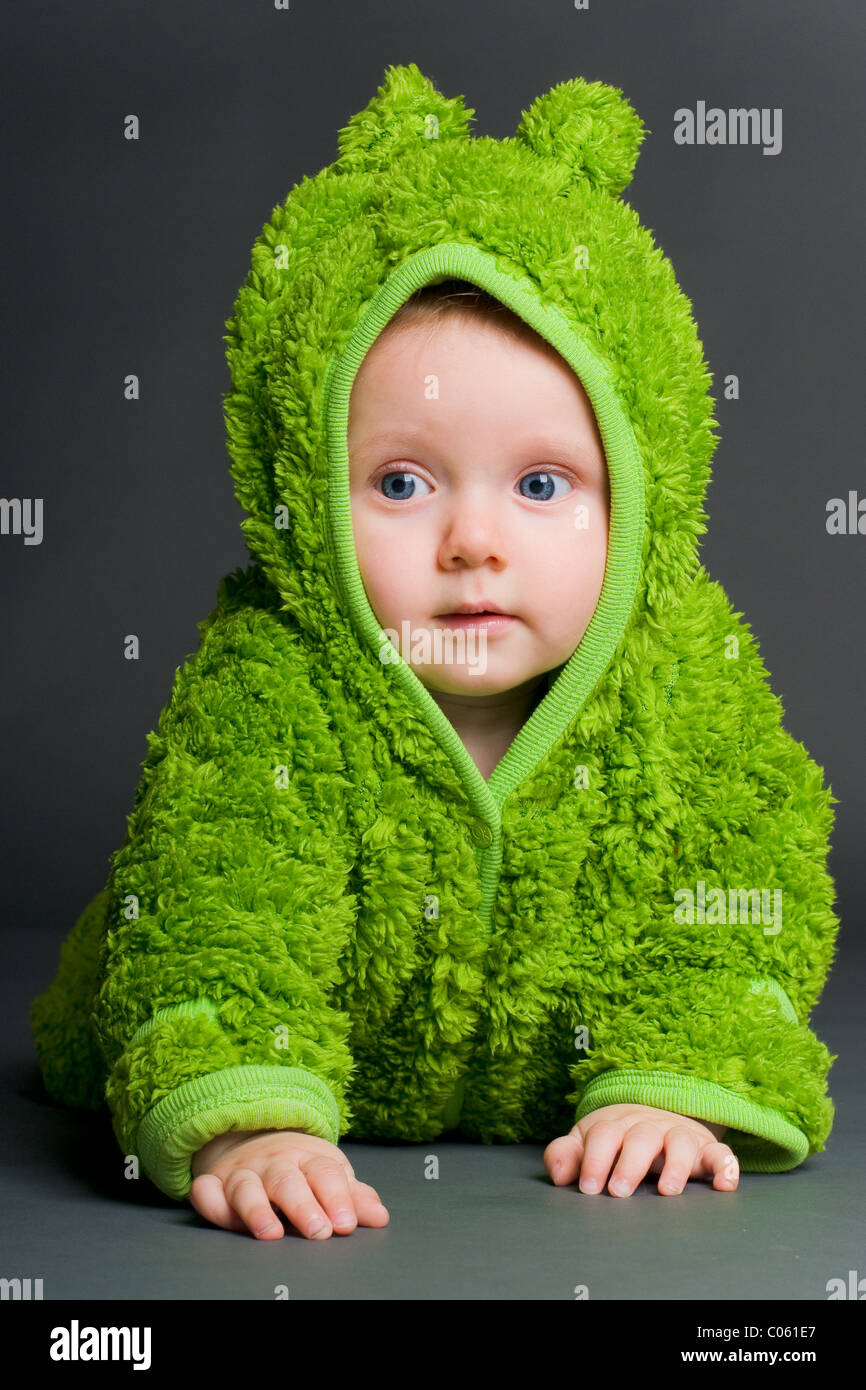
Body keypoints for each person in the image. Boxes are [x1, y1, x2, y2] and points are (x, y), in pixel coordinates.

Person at [31, 65, 840, 1242]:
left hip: (571, 1081)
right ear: (303, 485)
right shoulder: (271, 681)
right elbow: (215, 901)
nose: (472, 542)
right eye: (401, 482)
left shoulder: (685, 678)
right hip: (301, 1062)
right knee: (147, 954)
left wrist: (671, 1083)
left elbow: (739, 898)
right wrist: (251, 1118)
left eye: (541, 482)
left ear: (639, 490)